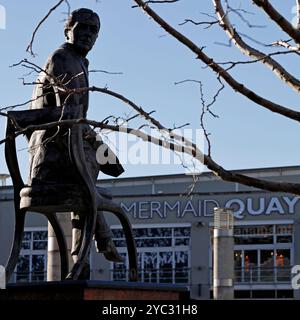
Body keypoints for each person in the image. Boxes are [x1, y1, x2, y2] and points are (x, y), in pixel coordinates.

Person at [28, 8, 124, 279]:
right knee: (89, 188)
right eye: (82, 28)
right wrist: (105, 153)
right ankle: (88, 256)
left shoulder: (78, 62)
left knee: (94, 189)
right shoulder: (63, 60)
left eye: (94, 31)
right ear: (67, 30)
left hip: (66, 152)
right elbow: (71, 118)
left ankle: (89, 254)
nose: (88, 35)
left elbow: (76, 121)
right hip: (53, 158)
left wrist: (106, 154)